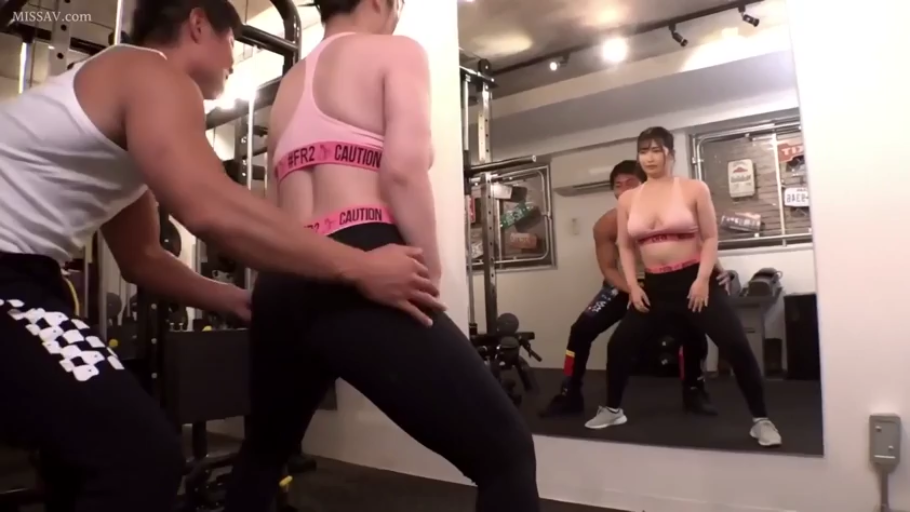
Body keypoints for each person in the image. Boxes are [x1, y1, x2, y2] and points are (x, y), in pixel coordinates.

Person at [0, 0, 447, 510]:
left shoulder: (124, 109)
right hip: (9, 278)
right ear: (197, 24)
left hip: (30, 278)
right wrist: (359, 266)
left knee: (82, 458)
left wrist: (236, 300)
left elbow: (142, 257)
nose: (234, 59)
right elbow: (209, 207)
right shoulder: (152, 73)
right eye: (231, 41)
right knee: (139, 456)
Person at [223, 1, 540, 511]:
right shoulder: (397, 52)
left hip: (285, 279)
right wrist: (429, 270)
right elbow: (402, 171)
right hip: (363, 259)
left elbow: (275, 208)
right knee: (507, 456)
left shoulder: (288, 86)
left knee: (263, 454)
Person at [583, 127, 782, 447]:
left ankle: (761, 420)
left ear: (670, 154)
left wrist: (702, 280)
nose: (649, 157)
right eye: (643, 151)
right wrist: (633, 286)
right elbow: (625, 247)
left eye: (656, 150)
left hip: (694, 281)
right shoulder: (629, 199)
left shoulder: (693, 189)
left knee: (735, 345)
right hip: (655, 285)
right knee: (619, 345)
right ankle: (613, 409)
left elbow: (710, 237)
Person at [540, 161, 725, 420]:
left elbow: (701, 243)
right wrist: (633, 290)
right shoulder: (605, 225)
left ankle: (694, 389)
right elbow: (608, 268)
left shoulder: (673, 214)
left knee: (692, 329)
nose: (624, 190)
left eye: (631, 183)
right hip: (626, 285)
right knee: (581, 330)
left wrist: (718, 270)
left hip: (668, 283)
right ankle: (569, 393)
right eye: (618, 185)